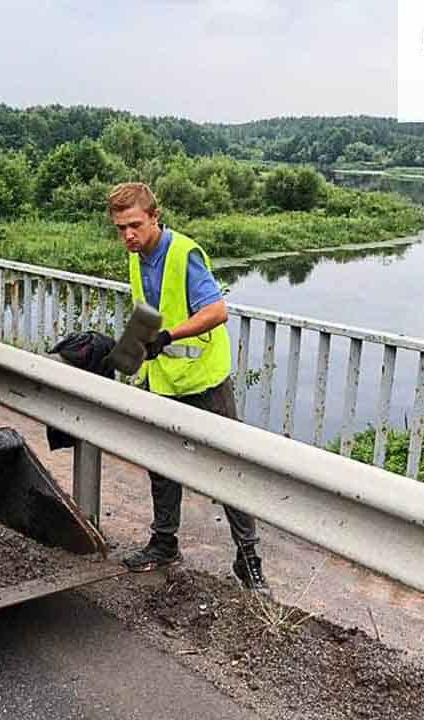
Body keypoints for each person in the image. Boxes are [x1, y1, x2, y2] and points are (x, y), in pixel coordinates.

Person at [108, 182, 270, 595]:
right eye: (120, 227)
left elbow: (217, 311)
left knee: (228, 469)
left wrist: (167, 337)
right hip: (165, 379)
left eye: (135, 225)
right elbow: (151, 312)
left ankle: (248, 560)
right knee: (162, 467)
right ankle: (164, 544)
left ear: (154, 218)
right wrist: (130, 351)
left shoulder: (183, 253)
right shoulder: (136, 257)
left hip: (205, 380)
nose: (128, 235)